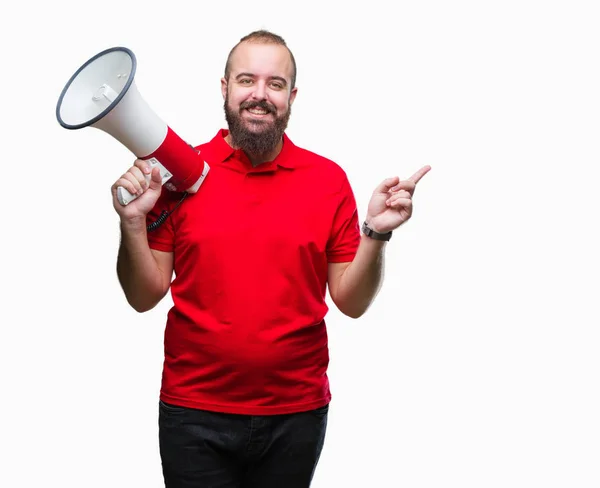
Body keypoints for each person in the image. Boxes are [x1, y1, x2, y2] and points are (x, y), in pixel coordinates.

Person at [111, 30, 430, 488]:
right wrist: (132, 224)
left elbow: (351, 302)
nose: (259, 95)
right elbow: (143, 297)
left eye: (274, 84)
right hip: (193, 413)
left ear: (291, 96)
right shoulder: (179, 175)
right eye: (246, 80)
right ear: (225, 88)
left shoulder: (327, 179)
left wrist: (376, 232)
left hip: (296, 415)